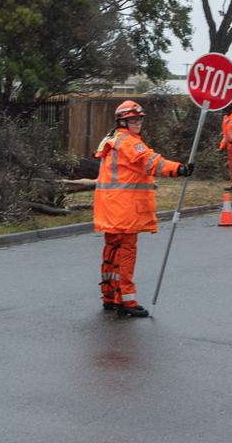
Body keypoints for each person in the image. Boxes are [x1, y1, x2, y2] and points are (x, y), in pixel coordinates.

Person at [93, 100, 191, 318]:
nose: (137, 123)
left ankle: (109, 296)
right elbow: (151, 162)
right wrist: (179, 169)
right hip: (124, 208)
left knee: (112, 251)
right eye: (133, 120)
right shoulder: (128, 142)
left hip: (110, 206)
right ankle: (126, 301)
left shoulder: (112, 139)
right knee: (126, 253)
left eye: (139, 119)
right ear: (123, 121)